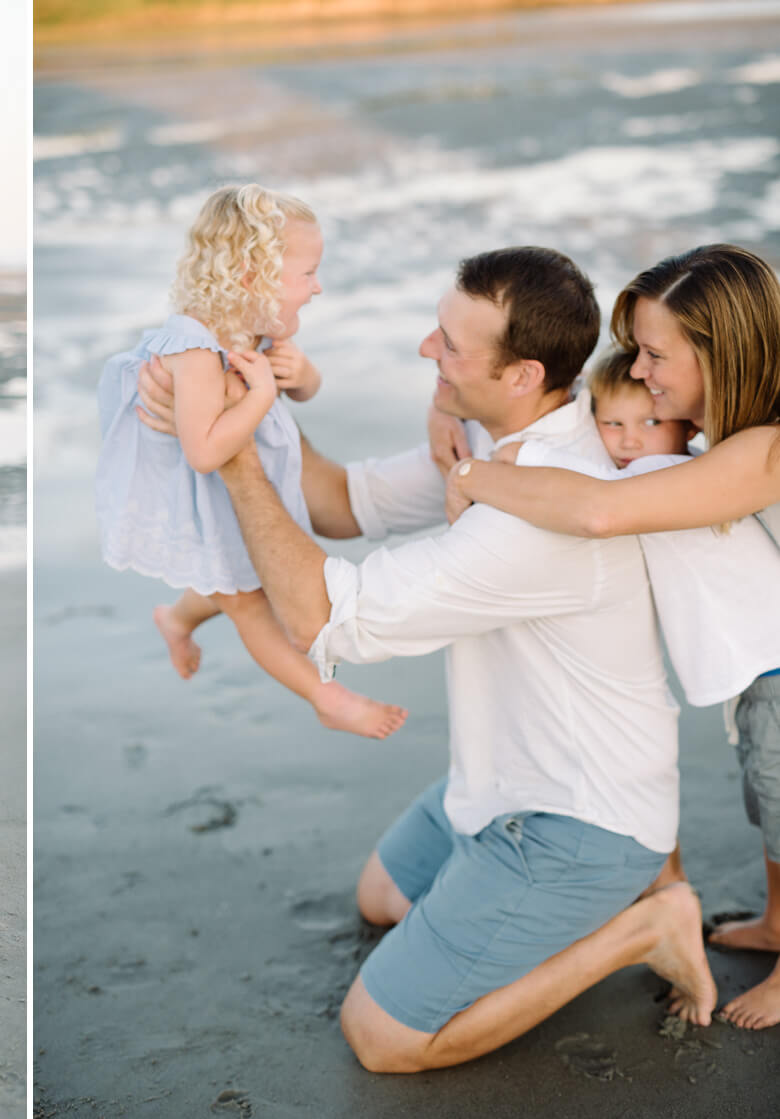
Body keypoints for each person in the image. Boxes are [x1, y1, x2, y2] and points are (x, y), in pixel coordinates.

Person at [140, 245, 715, 1071]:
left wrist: (230, 457)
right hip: (501, 777)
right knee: (381, 900)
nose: (425, 351)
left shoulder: (540, 512)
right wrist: (245, 402)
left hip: (578, 820)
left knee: (383, 1037)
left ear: (521, 374)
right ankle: (573, 903)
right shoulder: (499, 436)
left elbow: (320, 615)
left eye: (448, 343)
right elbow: (339, 502)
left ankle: (642, 928)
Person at [446, 243, 780, 1030]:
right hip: (761, 669)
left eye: (657, 354)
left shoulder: (765, 448)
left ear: (721, 354)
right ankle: (776, 920)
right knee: (770, 797)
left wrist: (473, 476)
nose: (641, 371)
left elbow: (601, 510)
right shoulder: (713, 438)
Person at [96, 185, 405, 740]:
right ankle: (325, 696)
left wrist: (301, 375)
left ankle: (176, 618)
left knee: (234, 574)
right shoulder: (193, 354)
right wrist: (261, 395)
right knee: (247, 596)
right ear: (250, 277)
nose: (317, 287)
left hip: (237, 487)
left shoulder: (251, 328)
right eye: (308, 274)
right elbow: (205, 451)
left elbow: (303, 394)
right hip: (200, 488)